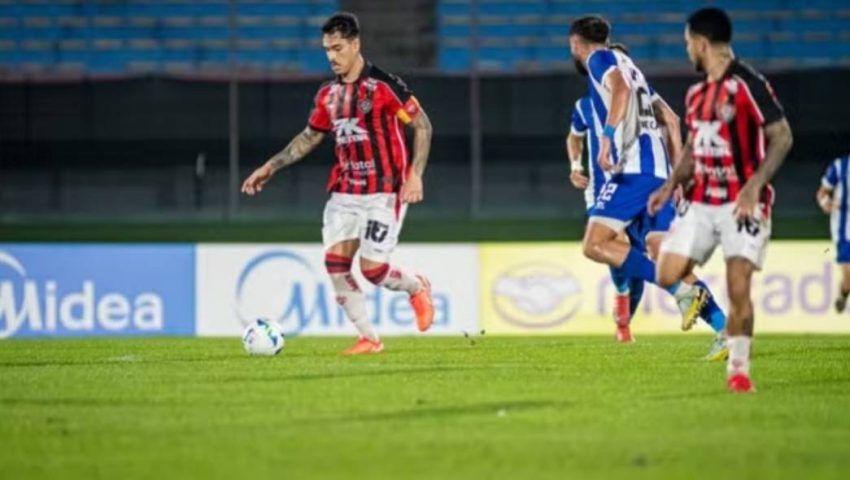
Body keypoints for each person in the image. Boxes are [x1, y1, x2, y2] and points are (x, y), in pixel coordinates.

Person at [241, 12, 435, 355]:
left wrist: (415, 174)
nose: (331, 56)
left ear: (355, 44)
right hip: (345, 192)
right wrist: (270, 166)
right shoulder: (328, 95)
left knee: (373, 271)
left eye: (338, 48)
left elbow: (422, 125)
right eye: (327, 49)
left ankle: (416, 287)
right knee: (335, 264)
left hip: (384, 191)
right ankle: (369, 339)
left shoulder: (384, 86)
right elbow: (308, 137)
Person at [648, 7, 793, 392]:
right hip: (702, 202)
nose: (687, 51)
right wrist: (668, 187)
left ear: (701, 43)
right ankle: (700, 305)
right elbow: (694, 151)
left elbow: (782, 136)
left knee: (738, 284)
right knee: (665, 271)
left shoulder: (749, 84)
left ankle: (739, 371)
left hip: (742, 204)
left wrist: (755, 185)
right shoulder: (696, 95)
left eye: (687, 44)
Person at [568, 17, 727, 354]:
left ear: (576, 43)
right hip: (657, 172)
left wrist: (609, 138)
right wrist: (675, 177)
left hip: (633, 171)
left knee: (595, 245)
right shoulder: (631, 66)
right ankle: (725, 329)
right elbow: (671, 119)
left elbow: (621, 91)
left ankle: (683, 295)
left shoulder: (599, 58)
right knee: (661, 253)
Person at [815, 152, 850, 312]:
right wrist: (826, 203)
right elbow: (822, 192)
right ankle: (843, 293)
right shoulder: (840, 166)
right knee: (848, 273)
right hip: (844, 228)